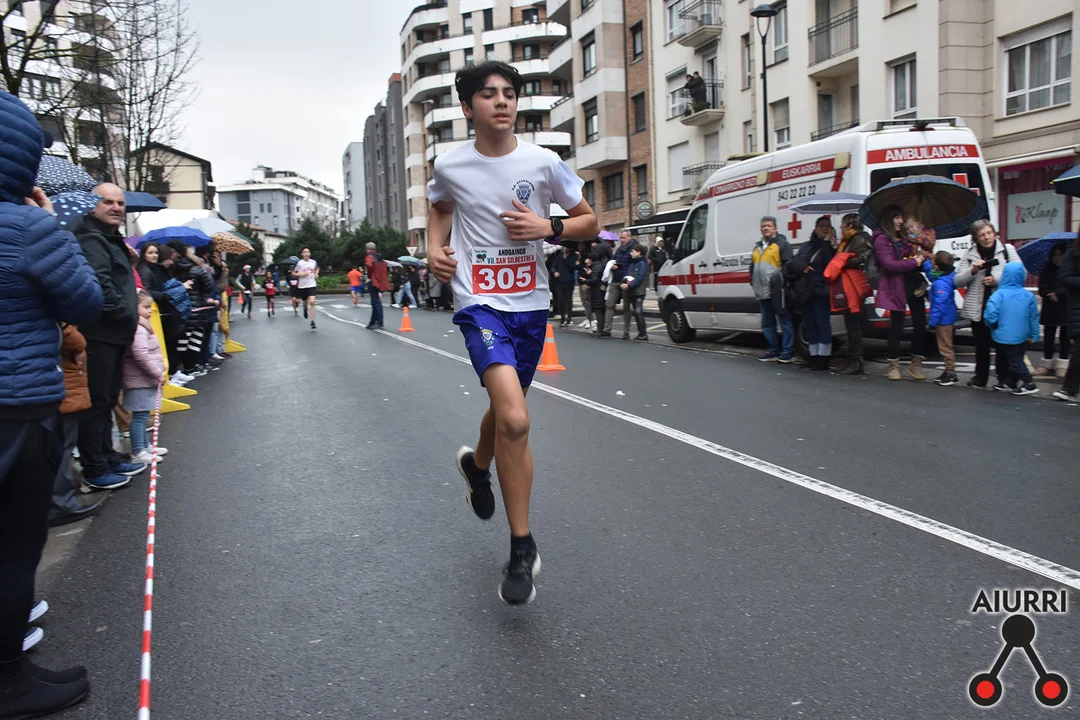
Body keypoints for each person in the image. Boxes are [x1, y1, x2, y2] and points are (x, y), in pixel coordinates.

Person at [426, 60, 600, 605]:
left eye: (509, 93)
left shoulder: (543, 162)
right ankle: (522, 546)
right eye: (488, 94)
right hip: (480, 303)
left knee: (508, 413)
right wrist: (434, 249)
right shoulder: (450, 164)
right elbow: (439, 207)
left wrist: (548, 226)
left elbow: (590, 221)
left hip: (530, 305)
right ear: (467, 107)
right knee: (517, 420)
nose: (502, 101)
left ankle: (477, 467)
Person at [0, 90, 103, 717]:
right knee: (13, 543)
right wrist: (46, 222)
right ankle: (10, 680)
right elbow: (86, 301)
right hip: (16, 406)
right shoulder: (27, 227)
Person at [70, 183, 148, 489]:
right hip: (100, 332)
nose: (116, 207)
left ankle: (107, 455)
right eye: (107, 202)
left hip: (114, 333)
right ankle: (95, 467)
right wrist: (125, 314)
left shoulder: (108, 237)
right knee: (97, 400)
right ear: (92, 205)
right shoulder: (91, 238)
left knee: (107, 399)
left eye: (120, 203)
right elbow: (101, 284)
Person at [954, 220, 1020, 389]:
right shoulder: (970, 254)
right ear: (975, 238)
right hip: (979, 307)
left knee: (1002, 344)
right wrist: (973, 271)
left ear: (994, 233)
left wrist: (996, 279)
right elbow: (957, 281)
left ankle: (1003, 378)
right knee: (981, 345)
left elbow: (1021, 273)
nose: (987, 237)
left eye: (989, 233)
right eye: (982, 235)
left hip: (1002, 307)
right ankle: (980, 378)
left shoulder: (1006, 250)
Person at [50, 323, 103, 526]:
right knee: (61, 447)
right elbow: (65, 331)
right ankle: (61, 504)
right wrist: (79, 342)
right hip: (62, 384)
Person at [872, 205, 932, 381]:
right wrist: (913, 262)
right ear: (888, 219)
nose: (901, 221)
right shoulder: (881, 239)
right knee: (897, 325)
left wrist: (921, 252)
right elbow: (889, 264)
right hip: (896, 285)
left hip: (914, 283)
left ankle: (916, 364)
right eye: (897, 217)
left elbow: (916, 257)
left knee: (920, 323)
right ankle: (893, 365)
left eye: (901, 218)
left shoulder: (905, 237)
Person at [123, 292, 168, 463]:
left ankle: (145, 445)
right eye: (146, 307)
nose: (150, 311)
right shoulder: (139, 328)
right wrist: (157, 372)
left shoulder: (142, 326)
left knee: (143, 415)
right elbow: (140, 354)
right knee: (140, 417)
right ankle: (138, 451)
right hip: (139, 379)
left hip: (142, 379)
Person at [984, 261, 1040, 395]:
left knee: (1014, 361)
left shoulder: (998, 295)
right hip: (1022, 334)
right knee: (1017, 358)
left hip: (1003, 333)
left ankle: (1029, 382)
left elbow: (990, 315)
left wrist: (992, 326)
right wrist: (1035, 334)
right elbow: (1033, 317)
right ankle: (1010, 382)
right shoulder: (1028, 296)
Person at [790, 216, 836, 371]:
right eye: (822, 225)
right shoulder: (807, 245)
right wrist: (803, 267)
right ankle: (813, 356)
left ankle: (824, 358)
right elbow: (794, 262)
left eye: (828, 226)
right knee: (810, 325)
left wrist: (827, 243)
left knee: (822, 324)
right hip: (806, 291)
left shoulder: (833, 246)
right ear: (816, 228)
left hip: (823, 291)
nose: (825, 228)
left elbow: (830, 264)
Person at [832, 214, 873, 374]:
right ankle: (852, 358)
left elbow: (861, 259)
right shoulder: (848, 241)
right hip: (848, 285)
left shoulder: (860, 238)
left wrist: (842, 261)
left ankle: (857, 361)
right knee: (850, 323)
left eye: (843, 225)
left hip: (854, 285)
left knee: (853, 324)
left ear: (850, 225)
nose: (841, 228)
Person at [750, 216, 794, 362]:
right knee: (767, 323)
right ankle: (773, 350)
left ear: (775, 228)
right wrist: (752, 281)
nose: (766, 228)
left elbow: (789, 265)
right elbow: (753, 267)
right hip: (762, 291)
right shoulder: (757, 247)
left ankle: (787, 351)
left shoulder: (782, 244)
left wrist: (781, 282)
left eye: (769, 226)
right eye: (763, 226)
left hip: (778, 291)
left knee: (785, 321)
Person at [924, 251, 958, 386]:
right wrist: (927, 262)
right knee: (945, 345)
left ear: (937, 267)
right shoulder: (947, 275)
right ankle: (947, 370)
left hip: (944, 320)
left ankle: (951, 372)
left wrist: (933, 322)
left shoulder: (940, 284)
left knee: (945, 346)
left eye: (933, 262)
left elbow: (939, 305)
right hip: (947, 317)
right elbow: (931, 275)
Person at [1053, 236, 1080, 401]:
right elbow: (1064, 278)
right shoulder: (1072, 253)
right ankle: (1069, 388)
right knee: (1078, 351)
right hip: (1078, 308)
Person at [1036, 243, 1069, 378]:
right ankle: (1047, 363)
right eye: (1054, 255)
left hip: (1065, 307)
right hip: (1050, 307)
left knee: (1065, 337)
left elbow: (1070, 286)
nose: (1057, 258)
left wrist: (1058, 293)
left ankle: (1062, 364)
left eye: (1060, 255)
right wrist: (1048, 293)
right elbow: (1041, 287)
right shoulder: (1047, 269)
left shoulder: (1070, 268)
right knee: (1048, 337)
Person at [603, 231, 634, 336]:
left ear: (629, 237)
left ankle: (626, 331)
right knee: (609, 304)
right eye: (620, 238)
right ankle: (607, 329)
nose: (621, 240)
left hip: (625, 281)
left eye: (623, 238)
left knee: (626, 307)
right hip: (616, 280)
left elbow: (633, 265)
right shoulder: (619, 249)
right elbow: (614, 260)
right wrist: (613, 266)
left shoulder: (633, 248)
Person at [621, 243, 650, 341]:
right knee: (636, 312)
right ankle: (641, 333)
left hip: (639, 291)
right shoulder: (632, 264)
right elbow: (627, 275)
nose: (630, 253)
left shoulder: (642, 264)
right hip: (632, 291)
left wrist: (629, 285)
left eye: (632, 251)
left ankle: (643, 334)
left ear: (638, 252)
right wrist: (623, 282)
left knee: (638, 312)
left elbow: (639, 277)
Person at [292, 247, 319, 329]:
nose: (307, 253)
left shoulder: (313, 262)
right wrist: (301, 274)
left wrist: (316, 274)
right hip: (302, 286)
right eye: (305, 252)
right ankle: (305, 309)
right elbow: (293, 273)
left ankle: (313, 321)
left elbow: (317, 268)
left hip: (312, 285)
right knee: (305, 301)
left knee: (312, 302)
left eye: (308, 252)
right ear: (302, 254)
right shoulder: (299, 263)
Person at [551, 245, 577, 327]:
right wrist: (555, 272)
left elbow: (573, 267)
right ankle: (562, 318)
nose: (566, 249)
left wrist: (566, 259)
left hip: (569, 281)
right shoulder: (559, 257)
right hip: (560, 281)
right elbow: (553, 266)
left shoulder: (574, 257)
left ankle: (569, 318)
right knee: (561, 300)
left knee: (568, 300)